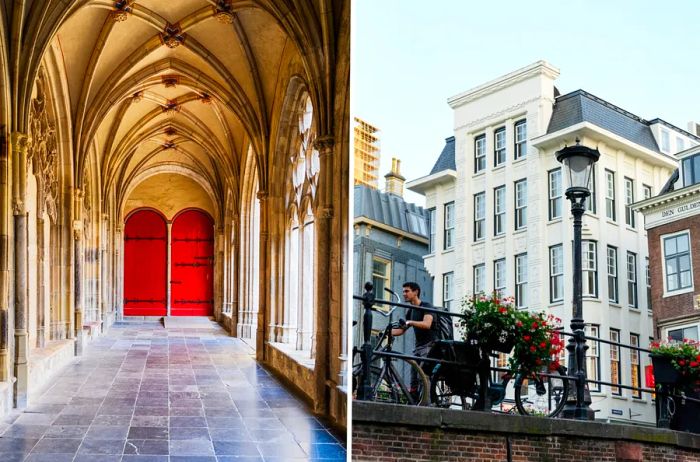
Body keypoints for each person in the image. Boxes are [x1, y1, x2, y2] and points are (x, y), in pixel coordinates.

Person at [392, 282, 435, 393]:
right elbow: (402, 330)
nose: (404, 294)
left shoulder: (426, 306)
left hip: (429, 345)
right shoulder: (410, 311)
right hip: (418, 347)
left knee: (423, 376)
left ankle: (427, 403)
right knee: (413, 380)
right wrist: (387, 332)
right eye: (403, 291)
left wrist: (410, 322)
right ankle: (415, 400)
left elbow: (427, 324)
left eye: (407, 291)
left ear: (415, 292)